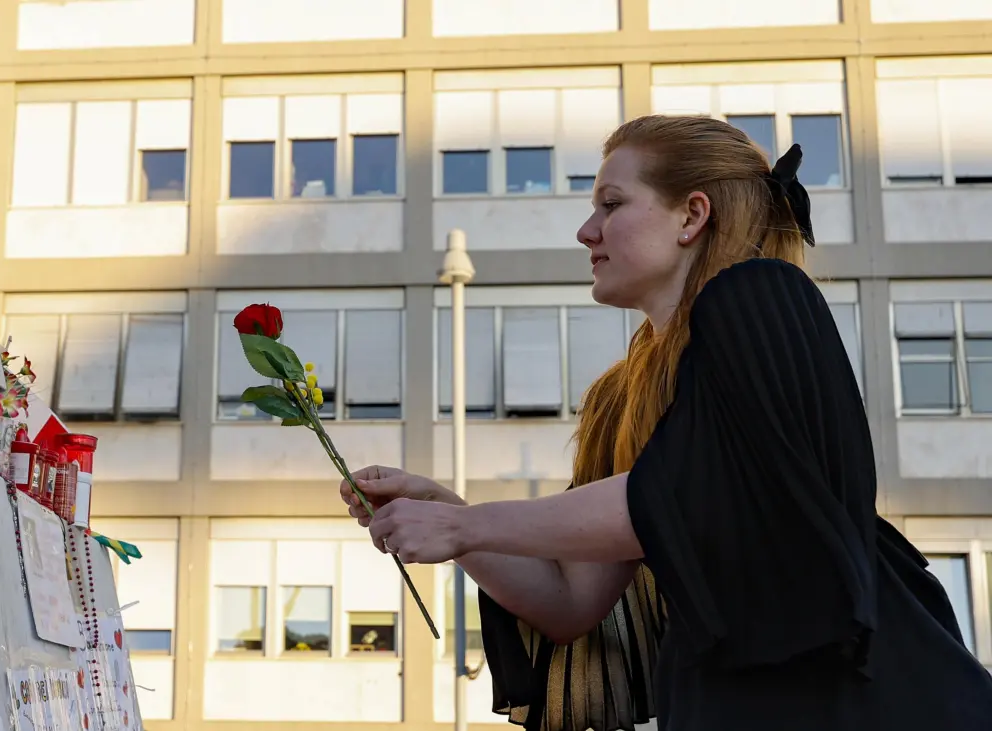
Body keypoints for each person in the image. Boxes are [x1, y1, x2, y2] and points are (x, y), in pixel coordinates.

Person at [340, 115, 992, 731]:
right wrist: (455, 520)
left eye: (611, 204)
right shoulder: (622, 397)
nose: (585, 231)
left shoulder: (762, 295)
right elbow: (572, 597)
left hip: (863, 699)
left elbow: (691, 493)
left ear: (692, 214)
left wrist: (466, 523)